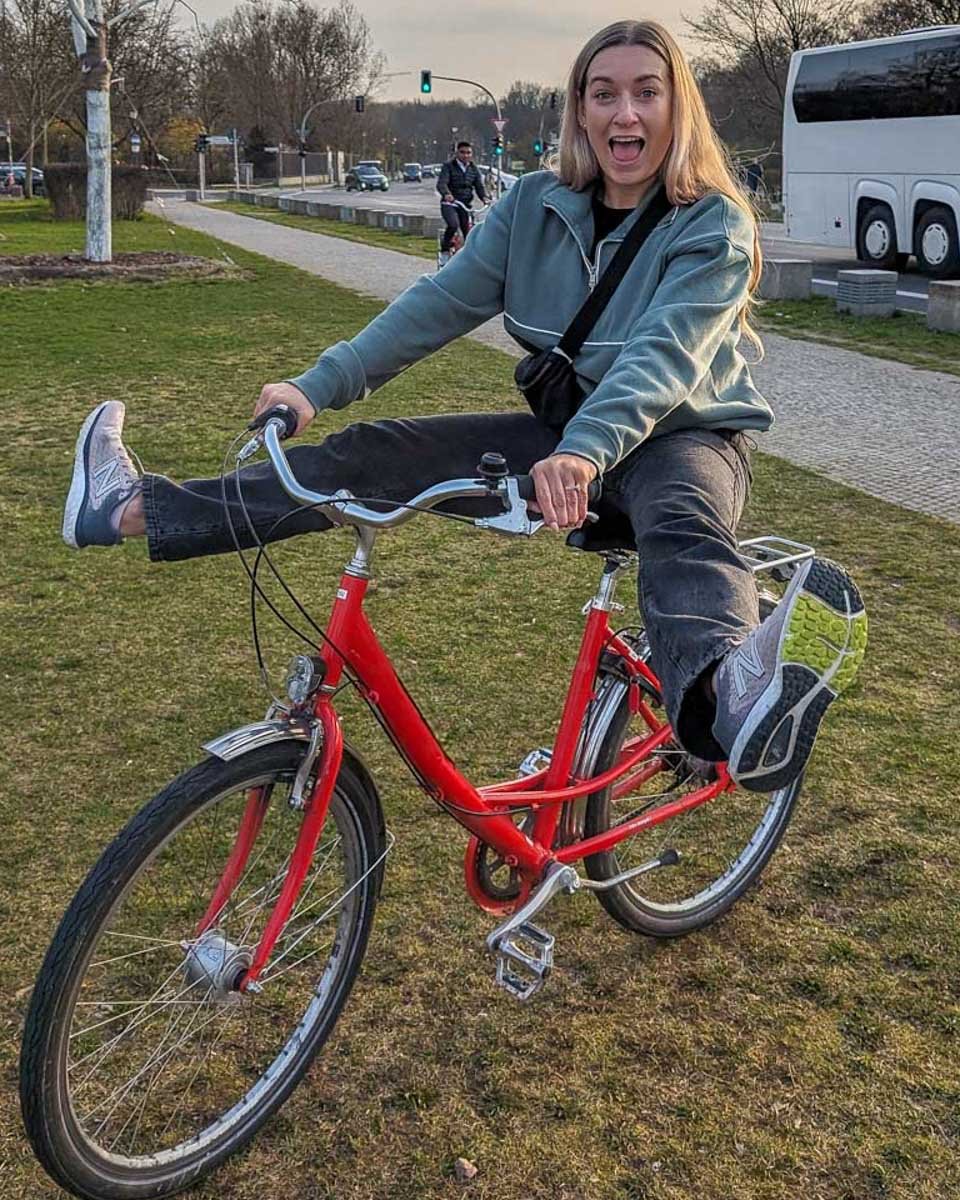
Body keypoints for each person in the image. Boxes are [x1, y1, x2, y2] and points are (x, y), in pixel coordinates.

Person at [62, 19, 866, 794]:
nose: (625, 113)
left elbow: (662, 360)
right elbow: (433, 307)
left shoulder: (712, 223)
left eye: (647, 93)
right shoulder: (532, 208)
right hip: (566, 441)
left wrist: (583, 450)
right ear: (579, 110)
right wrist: (313, 387)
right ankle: (132, 508)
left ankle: (742, 700)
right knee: (371, 456)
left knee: (681, 521)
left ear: (675, 107)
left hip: (684, 434)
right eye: (603, 93)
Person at [436, 140, 487, 259]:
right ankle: (445, 248)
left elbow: (479, 186)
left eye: (468, 153)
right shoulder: (448, 166)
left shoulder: (473, 169)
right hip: (450, 204)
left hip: (465, 205)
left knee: (469, 232)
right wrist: (447, 194)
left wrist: (484, 198)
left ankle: (469, 258)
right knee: (453, 225)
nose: (466, 155)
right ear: (457, 153)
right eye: (462, 152)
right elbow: (441, 184)